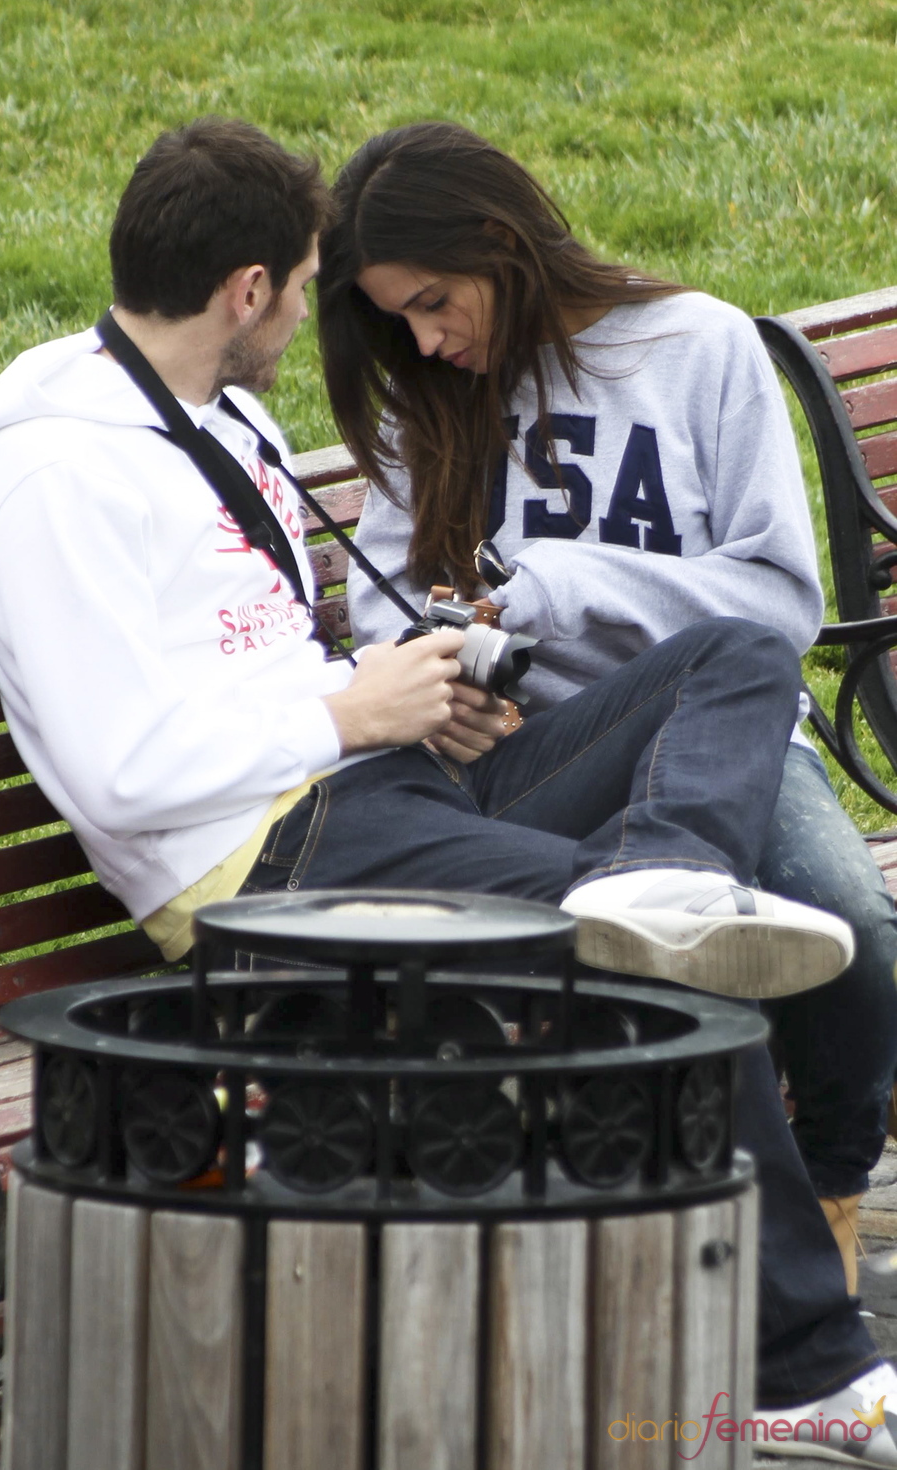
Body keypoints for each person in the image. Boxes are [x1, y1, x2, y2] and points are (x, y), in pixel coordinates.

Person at [0, 116, 892, 1456]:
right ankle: (810, 1369)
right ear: (250, 290)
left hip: (376, 788)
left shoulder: (215, 420)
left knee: (733, 654)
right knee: (652, 969)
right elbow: (118, 771)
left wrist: (407, 685)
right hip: (265, 867)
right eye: (315, 288)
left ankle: (662, 863)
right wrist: (345, 709)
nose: (361, 336)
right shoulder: (56, 479)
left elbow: (266, 665)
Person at [318, 120, 897, 1308]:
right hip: (526, 760)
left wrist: (552, 589)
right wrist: (436, 686)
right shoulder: (419, 393)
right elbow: (377, 617)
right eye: (397, 321)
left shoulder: (696, 346)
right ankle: (676, 1252)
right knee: (654, 970)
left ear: (500, 243)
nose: (424, 338)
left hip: (713, 733)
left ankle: (826, 1191)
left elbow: (777, 600)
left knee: (852, 930)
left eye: (433, 302)